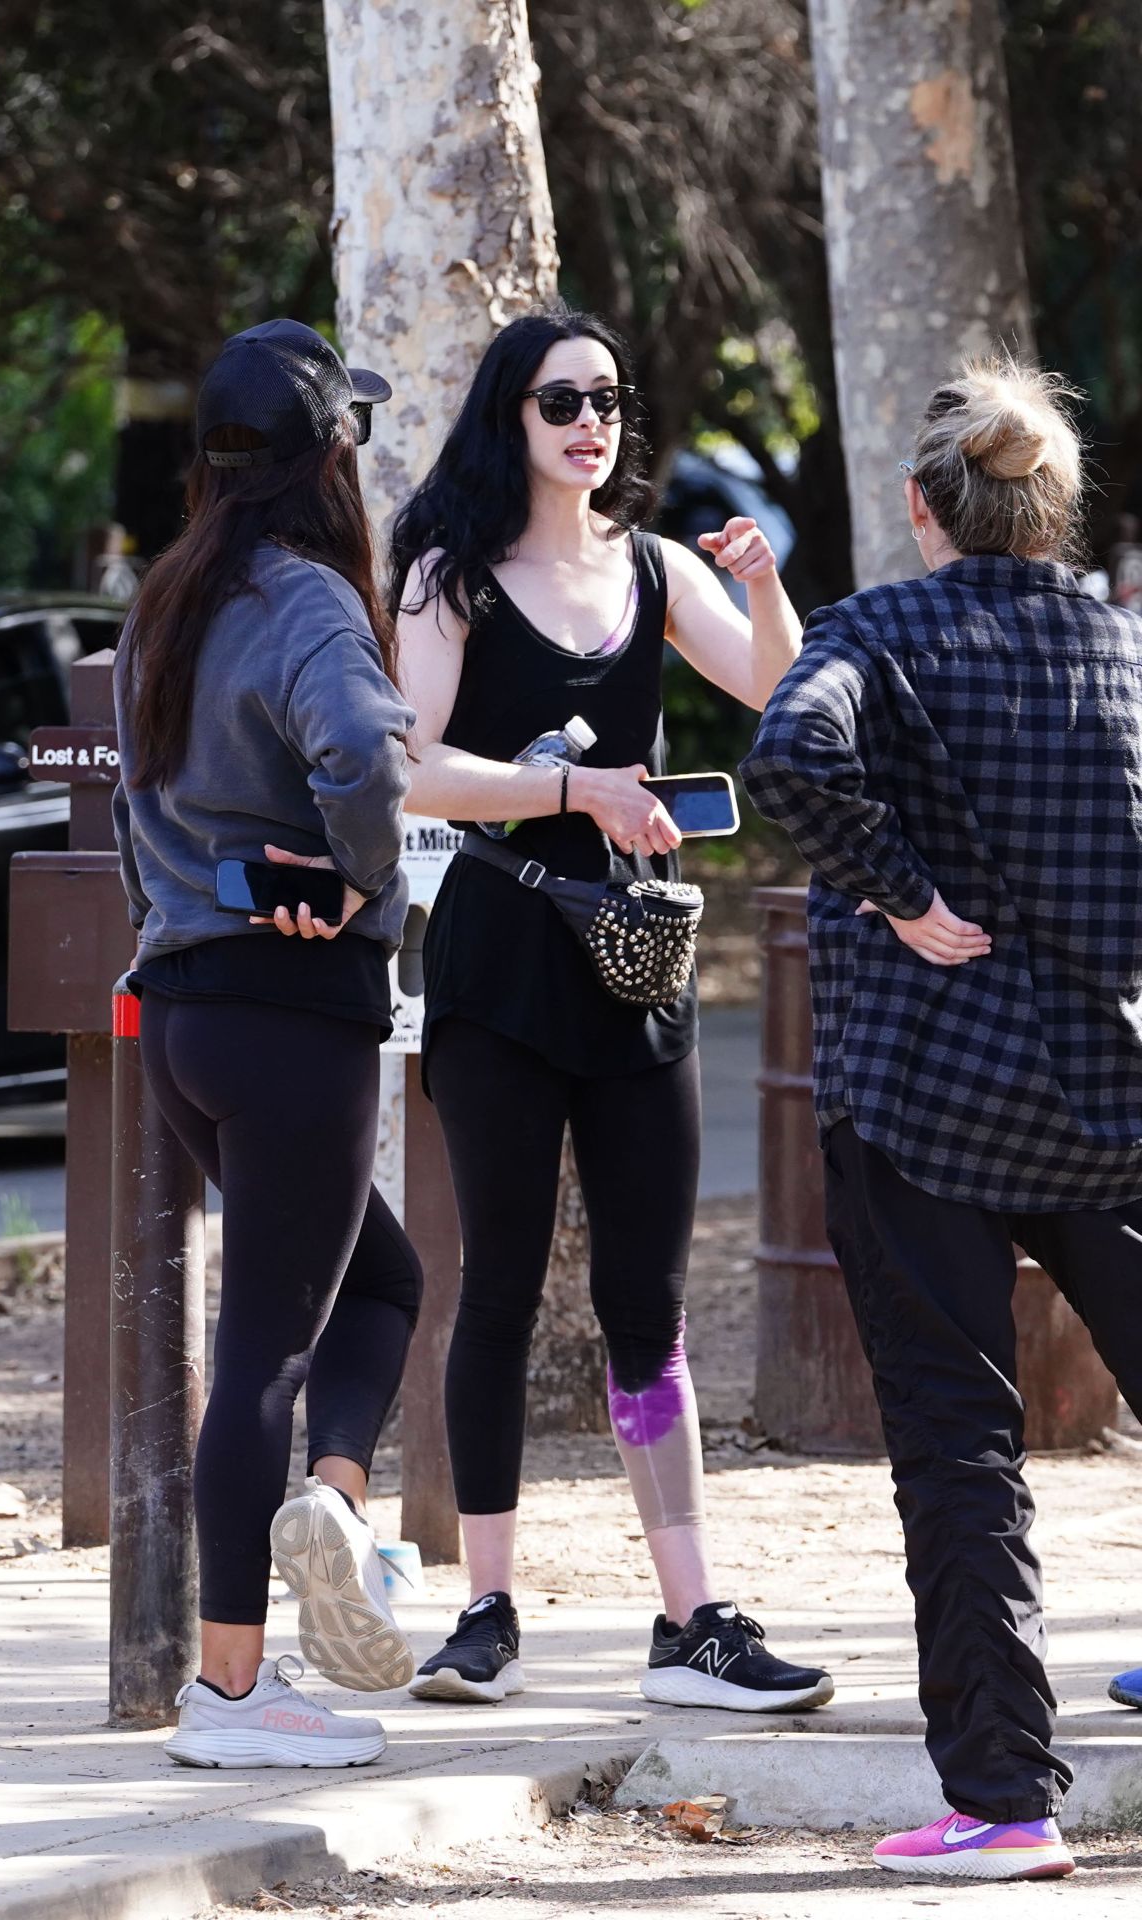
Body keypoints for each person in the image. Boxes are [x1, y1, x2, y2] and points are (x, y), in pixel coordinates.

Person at [385, 302, 831, 1713]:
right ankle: (487, 1610)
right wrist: (582, 789)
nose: (594, 425)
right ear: (510, 414)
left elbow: (783, 686)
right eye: (565, 401)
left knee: (651, 1298)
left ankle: (693, 1620)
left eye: (613, 403)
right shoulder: (450, 578)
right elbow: (412, 774)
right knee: (501, 1289)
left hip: (633, 965)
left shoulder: (650, 566)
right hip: (498, 968)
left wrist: (760, 586)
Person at [740, 355, 1142, 1881]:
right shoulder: (1120, 650)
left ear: (924, 506)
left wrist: (902, 895)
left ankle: (1005, 1799)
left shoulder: (873, 630)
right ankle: (1002, 1797)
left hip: (921, 1105)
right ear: (1051, 511)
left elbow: (791, 749)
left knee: (961, 1456)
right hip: (1108, 1096)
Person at [112, 319, 423, 1770]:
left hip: (177, 1005)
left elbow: (135, 807)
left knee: (382, 1279)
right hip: (290, 1012)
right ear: (326, 461)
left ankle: (336, 1510)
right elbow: (365, 755)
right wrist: (362, 877)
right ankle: (232, 1695)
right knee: (263, 1356)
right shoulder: (307, 602)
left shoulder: (167, 595)